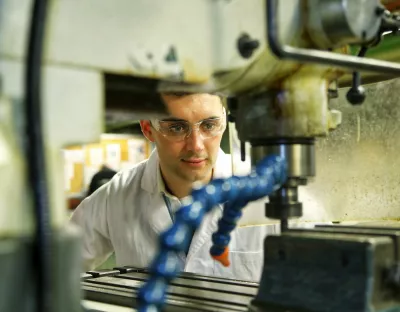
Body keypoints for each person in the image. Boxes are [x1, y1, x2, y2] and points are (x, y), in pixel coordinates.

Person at [70, 93, 264, 281]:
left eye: (209, 125)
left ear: (223, 122)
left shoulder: (263, 190)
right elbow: (53, 269)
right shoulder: (116, 196)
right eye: (176, 128)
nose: (196, 146)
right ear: (147, 128)